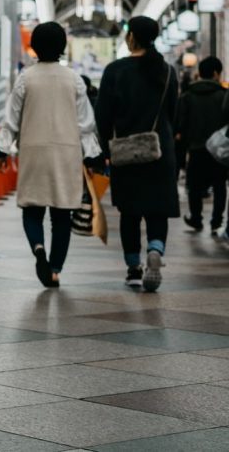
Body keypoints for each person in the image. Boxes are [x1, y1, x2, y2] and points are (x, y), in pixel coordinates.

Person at [0, 22, 101, 288]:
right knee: (61, 216)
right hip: (66, 153)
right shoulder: (74, 79)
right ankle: (54, 270)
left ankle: (38, 249)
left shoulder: (26, 78)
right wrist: (92, 155)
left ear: (34, 45)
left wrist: (3, 149)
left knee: (32, 210)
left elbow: (11, 119)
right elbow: (85, 123)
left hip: (33, 151)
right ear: (63, 46)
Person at [95, 16, 179, 292]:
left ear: (131, 37)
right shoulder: (167, 71)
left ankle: (133, 268)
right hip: (160, 151)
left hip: (126, 152)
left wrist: (102, 150)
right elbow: (173, 115)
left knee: (129, 212)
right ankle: (155, 248)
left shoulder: (115, 71)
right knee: (158, 209)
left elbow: (103, 117)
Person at [175, 56, 226, 235]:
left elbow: (180, 124)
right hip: (219, 150)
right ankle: (216, 221)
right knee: (219, 186)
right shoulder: (223, 95)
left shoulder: (187, 96)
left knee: (194, 186)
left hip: (195, 149)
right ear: (215, 73)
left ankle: (196, 218)